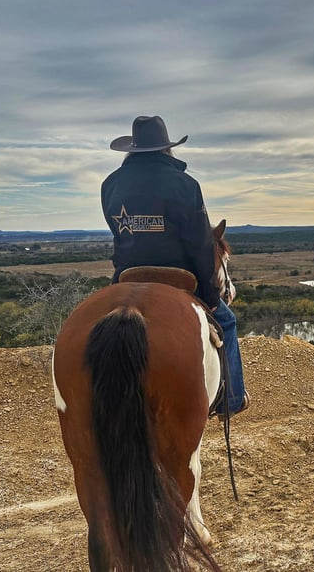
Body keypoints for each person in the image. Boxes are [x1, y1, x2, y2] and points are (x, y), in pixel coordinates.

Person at [101, 115, 249, 418]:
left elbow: (119, 237)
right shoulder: (185, 185)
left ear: (132, 148)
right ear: (167, 148)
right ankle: (231, 399)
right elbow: (200, 246)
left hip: (127, 278)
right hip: (178, 278)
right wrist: (210, 297)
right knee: (228, 321)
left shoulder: (110, 185)